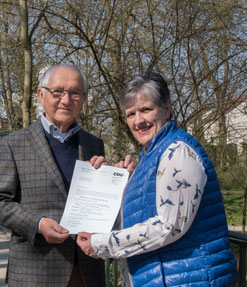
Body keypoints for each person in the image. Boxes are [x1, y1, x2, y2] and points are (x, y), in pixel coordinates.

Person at [77, 72, 238, 286]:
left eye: (146, 110)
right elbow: (140, 215)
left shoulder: (178, 151)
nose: (138, 121)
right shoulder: (149, 156)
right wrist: (114, 184)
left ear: (167, 108)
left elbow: (169, 226)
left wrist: (101, 244)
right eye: (131, 114)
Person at [0, 64, 107, 286]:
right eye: (58, 91)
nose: (66, 100)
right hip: (35, 272)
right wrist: (38, 224)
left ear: (84, 98)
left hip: (87, 272)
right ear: (41, 95)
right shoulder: (15, 144)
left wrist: (111, 179)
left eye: (74, 93)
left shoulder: (94, 144)